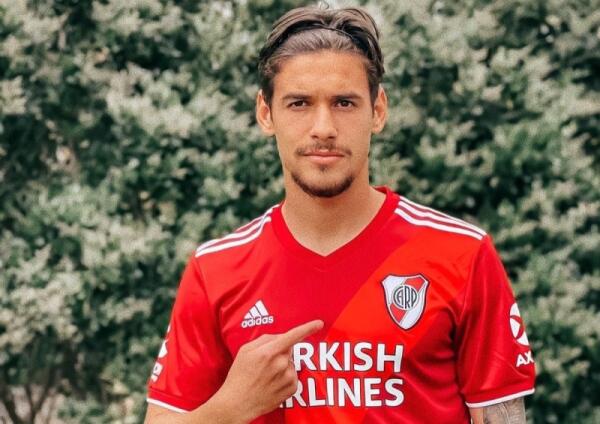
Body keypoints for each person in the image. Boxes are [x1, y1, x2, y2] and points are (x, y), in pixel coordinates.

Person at [144, 5, 535, 424]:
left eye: (344, 102)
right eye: (299, 103)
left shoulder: (461, 255)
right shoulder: (216, 269)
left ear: (378, 110)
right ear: (265, 113)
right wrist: (231, 407)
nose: (323, 127)